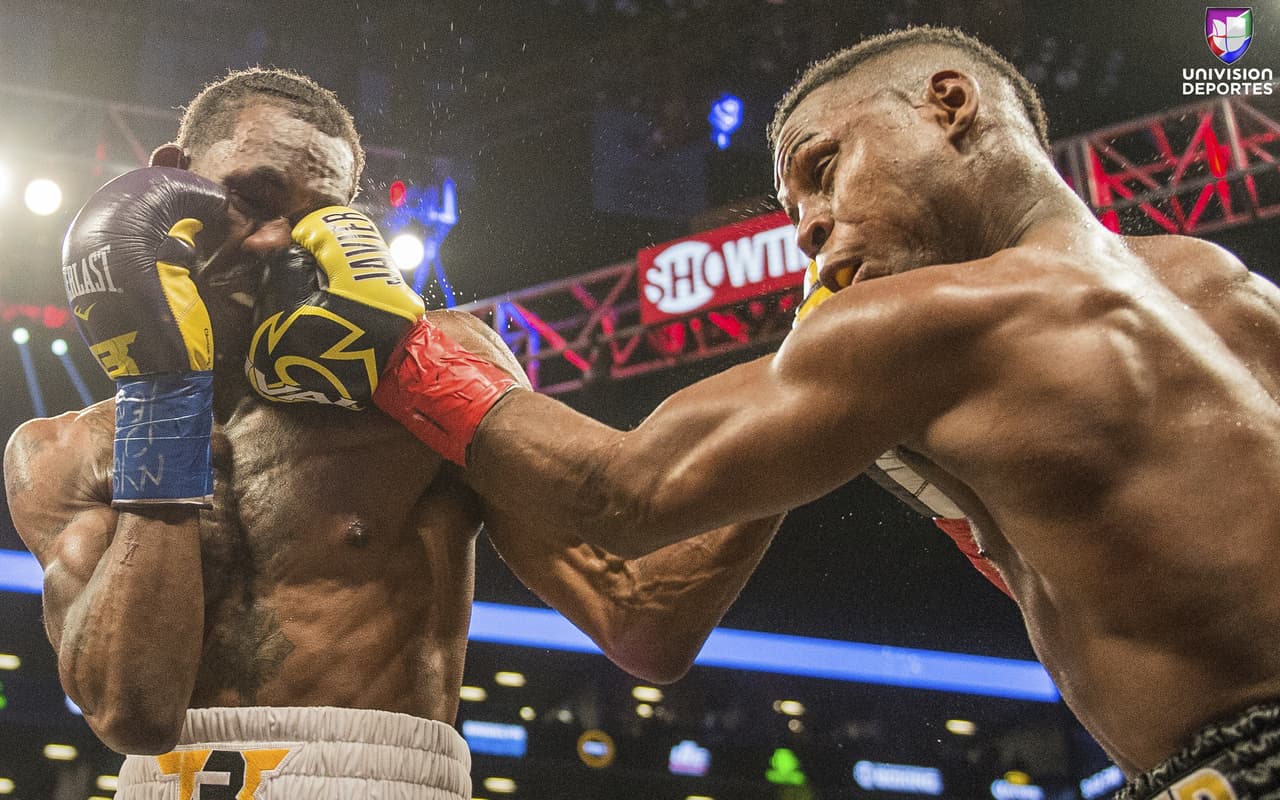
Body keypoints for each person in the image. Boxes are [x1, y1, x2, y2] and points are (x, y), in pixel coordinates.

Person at [249, 27, 1280, 800]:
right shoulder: (1217, 285)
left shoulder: (932, 322)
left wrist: (397, 345)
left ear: (950, 103)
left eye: (823, 171)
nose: (812, 231)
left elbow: (620, 493)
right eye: (794, 215)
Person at [2, 67, 782, 799]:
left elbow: (640, 615)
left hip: (375, 772)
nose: (274, 241)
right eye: (253, 196)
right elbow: (131, 712)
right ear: (170, 178)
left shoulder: (423, 374)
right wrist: (163, 401)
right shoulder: (63, 452)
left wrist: (815, 389)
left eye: (310, 220)